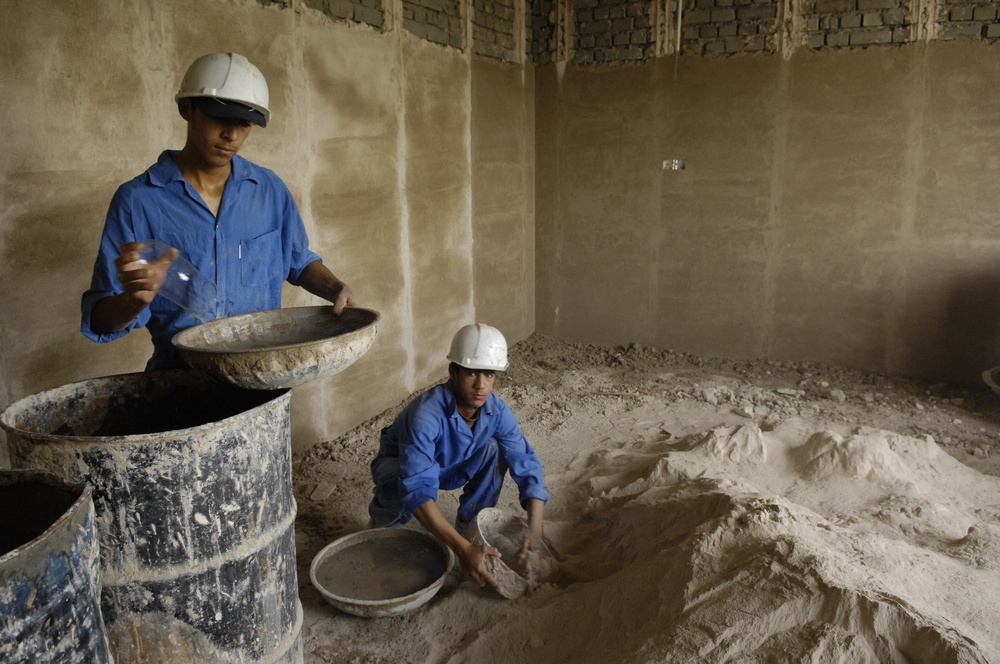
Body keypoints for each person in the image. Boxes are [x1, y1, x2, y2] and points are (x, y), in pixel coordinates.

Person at [81, 52, 353, 370]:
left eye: (244, 123)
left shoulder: (268, 190)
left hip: (265, 377)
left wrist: (335, 288)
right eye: (219, 118)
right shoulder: (138, 201)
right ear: (187, 109)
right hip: (182, 384)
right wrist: (133, 300)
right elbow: (100, 321)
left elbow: (298, 261)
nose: (232, 135)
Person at [369, 323, 549, 591]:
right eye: (471, 373)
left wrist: (534, 529)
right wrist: (461, 550)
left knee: (495, 449)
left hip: (450, 464)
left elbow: (525, 462)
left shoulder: (496, 411)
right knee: (398, 482)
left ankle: (469, 529)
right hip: (400, 466)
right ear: (453, 372)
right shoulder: (426, 414)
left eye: (489, 374)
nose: (481, 385)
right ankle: (383, 530)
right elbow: (417, 488)